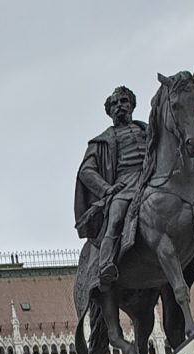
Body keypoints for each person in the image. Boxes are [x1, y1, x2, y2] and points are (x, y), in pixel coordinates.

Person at [75, 85, 148, 288]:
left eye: (124, 101)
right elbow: (86, 171)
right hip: (124, 185)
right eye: (114, 104)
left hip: (152, 179)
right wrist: (107, 189)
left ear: (132, 105)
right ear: (109, 112)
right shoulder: (101, 142)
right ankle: (105, 265)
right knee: (115, 219)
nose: (119, 106)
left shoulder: (149, 131)